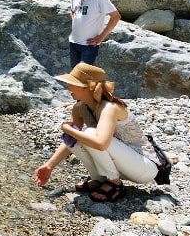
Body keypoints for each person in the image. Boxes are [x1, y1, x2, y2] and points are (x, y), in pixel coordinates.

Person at [34, 63, 159, 202]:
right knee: (77, 136)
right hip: (123, 165)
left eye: (71, 83)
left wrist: (68, 128)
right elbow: (71, 140)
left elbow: (100, 144)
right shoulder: (79, 108)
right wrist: (49, 165)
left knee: (89, 133)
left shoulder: (110, 108)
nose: (68, 87)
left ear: (85, 87)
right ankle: (99, 180)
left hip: (143, 168)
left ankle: (114, 183)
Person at [67, 0, 121, 68]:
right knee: (75, 77)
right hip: (73, 43)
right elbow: (72, 12)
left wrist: (101, 37)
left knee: (81, 75)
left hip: (89, 45)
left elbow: (116, 16)